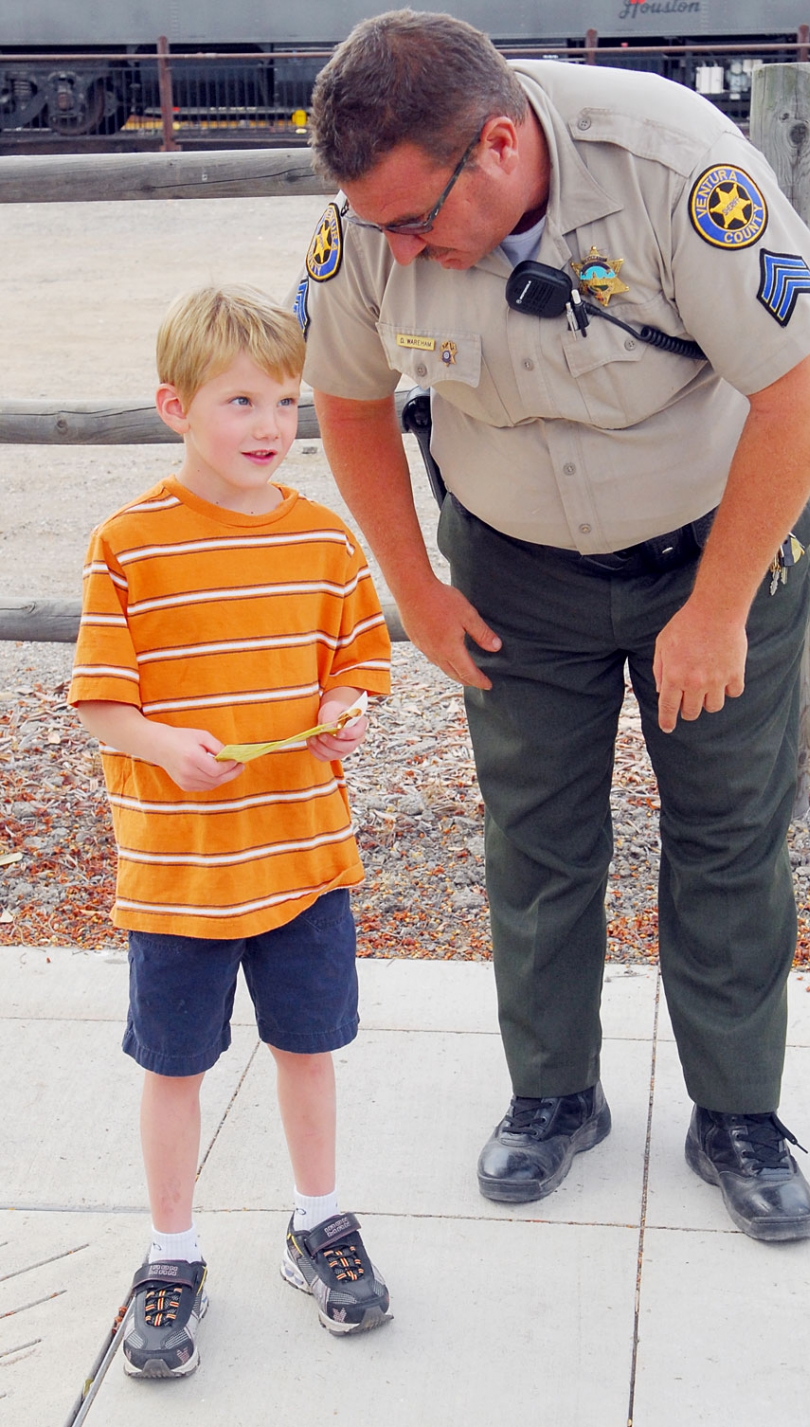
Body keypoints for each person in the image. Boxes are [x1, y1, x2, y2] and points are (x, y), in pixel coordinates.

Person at [294, 10, 810, 1242]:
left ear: (498, 144)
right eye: (377, 226)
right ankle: (552, 1096)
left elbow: (800, 391)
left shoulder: (675, 166)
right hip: (513, 570)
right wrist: (416, 593)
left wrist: (715, 610)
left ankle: (738, 1114)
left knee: (727, 831)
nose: (397, 248)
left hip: (713, 549)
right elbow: (346, 400)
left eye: (413, 221)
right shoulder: (369, 219)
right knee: (536, 838)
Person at [69, 285, 393, 1377]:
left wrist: (349, 710)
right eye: (241, 400)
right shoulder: (130, 544)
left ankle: (319, 1219)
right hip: (178, 876)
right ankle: (171, 1250)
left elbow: (359, 659)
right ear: (175, 406)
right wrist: (161, 746)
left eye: (287, 401)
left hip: (303, 856)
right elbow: (102, 701)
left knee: (308, 1048)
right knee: (175, 1066)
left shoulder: (321, 538)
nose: (269, 426)